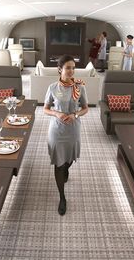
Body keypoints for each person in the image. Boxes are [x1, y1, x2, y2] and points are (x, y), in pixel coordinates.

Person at [44, 55, 88, 216]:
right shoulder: (52, 87)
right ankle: (62, 197)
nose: (71, 71)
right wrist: (56, 113)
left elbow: (85, 108)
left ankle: (66, 168)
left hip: (73, 129)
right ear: (60, 69)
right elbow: (45, 108)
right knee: (59, 163)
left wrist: (75, 115)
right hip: (56, 130)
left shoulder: (80, 87)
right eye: (68, 67)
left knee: (68, 160)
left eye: (73, 68)